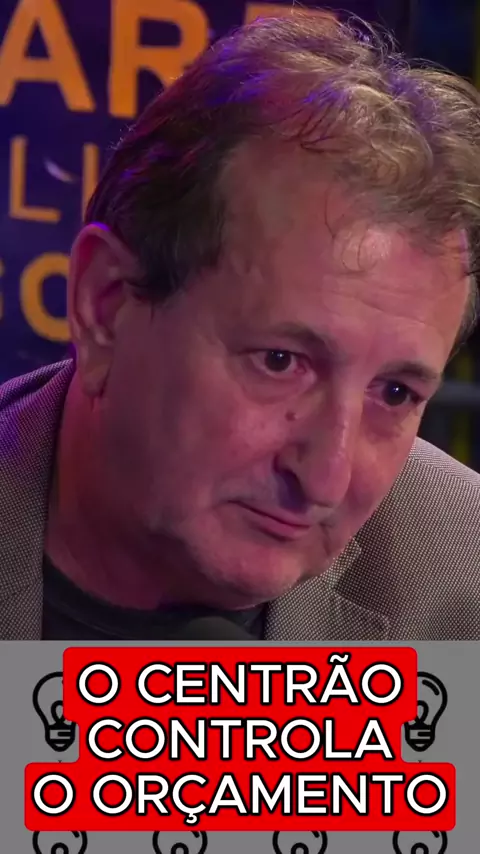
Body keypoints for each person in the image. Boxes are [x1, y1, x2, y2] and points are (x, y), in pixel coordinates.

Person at [1, 13, 479, 641]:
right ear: (106, 306)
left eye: (394, 393)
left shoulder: (460, 583)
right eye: (280, 361)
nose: (325, 478)